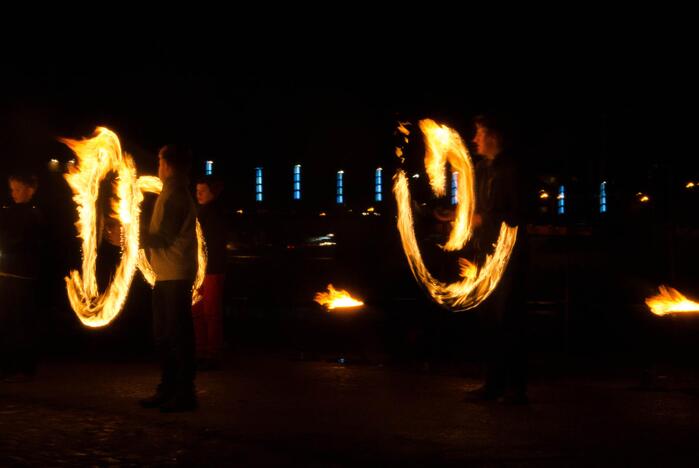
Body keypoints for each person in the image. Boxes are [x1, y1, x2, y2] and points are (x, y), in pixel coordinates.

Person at [466, 113, 531, 404]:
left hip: (508, 260)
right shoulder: (480, 170)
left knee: (508, 321)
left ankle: (516, 389)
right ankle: (492, 384)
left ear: (493, 135)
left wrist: (483, 219)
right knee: (488, 320)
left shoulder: (513, 170)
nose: (474, 139)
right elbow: (477, 210)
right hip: (485, 256)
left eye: (479, 133)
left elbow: (517, 215)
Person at [138, 145, 199, 412]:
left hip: (175, 274)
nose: (157, 167)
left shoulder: (175, 194)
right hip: (166, 273)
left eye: (159, 162)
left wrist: (131, 234)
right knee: (164, 335)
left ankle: (184, 394)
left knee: (176, 335)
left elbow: (163, 237)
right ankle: (169, 388)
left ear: (168, 165)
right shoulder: (171, 192)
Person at [0, 173, 44, 382]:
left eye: (18, 189)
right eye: (12, 189)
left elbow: (28, 242)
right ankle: (9, 364)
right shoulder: (8, 212)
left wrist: (8, 246)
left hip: (22, 276)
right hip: (6, 273)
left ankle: (25, 366)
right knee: (6, 321)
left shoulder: (34, 215)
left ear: (30, 190)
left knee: (21, 322)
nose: (14, 193)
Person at [192, 175, 227, 370]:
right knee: (197, 311)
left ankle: (212, 353)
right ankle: (201, 351)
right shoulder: (200, 212)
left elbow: (213, 244)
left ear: (212, 193)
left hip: (212, 270)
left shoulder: (216, 214)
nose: (199, 194)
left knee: (210, 313)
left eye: (203, 191)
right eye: (197, 190)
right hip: (200, 270)